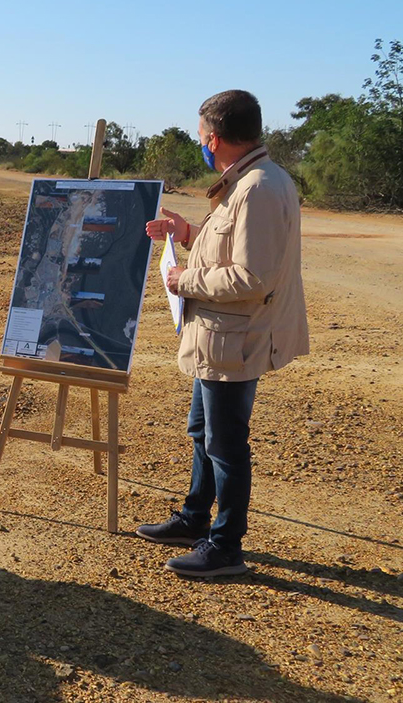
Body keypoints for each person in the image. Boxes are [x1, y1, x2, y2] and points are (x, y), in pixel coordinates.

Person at [137, 90, 309, 577]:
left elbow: (253, 278)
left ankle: (226, 546)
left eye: (200, 138)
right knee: (203, 432)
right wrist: (188, 233)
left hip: (235, 339)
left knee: (226, 443)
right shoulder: (247, 181)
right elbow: (232, 246)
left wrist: (181, 279)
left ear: (214, 137)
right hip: (217, 339)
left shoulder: (258, 187)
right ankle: (195, 519)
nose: (202, 146)